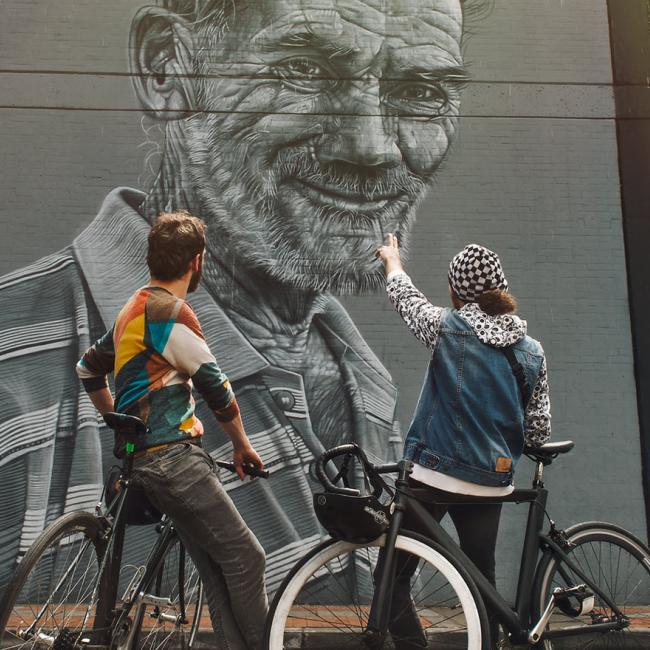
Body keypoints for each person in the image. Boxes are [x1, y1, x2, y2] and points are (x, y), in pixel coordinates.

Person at [0, 0, 483, 586]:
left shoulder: (363, 378)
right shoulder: (14, 374)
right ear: (167, 67)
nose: (372, 146)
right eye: (304, 71)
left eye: (423, 91)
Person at [76, 211, 268, 650]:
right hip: (174, 460)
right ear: (196, 262)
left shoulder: (134, 309)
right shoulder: (171, 313)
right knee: (248, 558)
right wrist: (242, 446)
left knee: (221, 571)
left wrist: (116, 421)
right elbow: (216, 387)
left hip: (139, 460)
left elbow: (87, 368)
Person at [375, 235, 552, 649]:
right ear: (501, 289)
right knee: (480, 583)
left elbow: (405, 297)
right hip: (491, 481)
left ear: (455, 292)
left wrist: (392, 259)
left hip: (434, 473)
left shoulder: (445, 327)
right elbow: (538, 431)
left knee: (392, 577)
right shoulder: (532, 352)